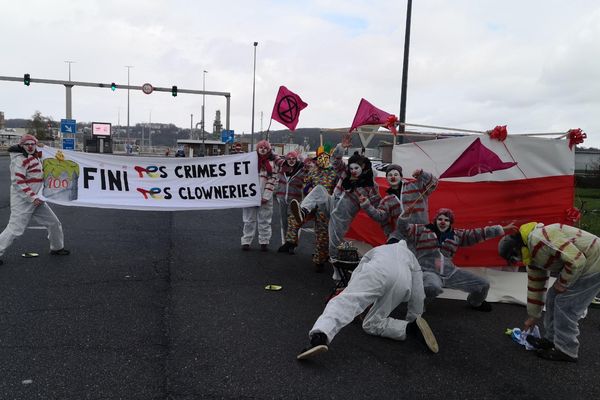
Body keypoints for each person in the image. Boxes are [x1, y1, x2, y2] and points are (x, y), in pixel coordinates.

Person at [297, 240, 439, 360]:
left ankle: (320, 336)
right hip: (402, 282)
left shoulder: (379, 249)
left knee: (345, 302)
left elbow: (360, 269)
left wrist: (352, 291)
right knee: (372, 324)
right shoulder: (411, 258)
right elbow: (418, 293)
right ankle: (411, 328)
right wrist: (415, 317)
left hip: (377, 271)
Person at [498, 222, 600, 362]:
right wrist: (533, 316)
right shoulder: (532, 255)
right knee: (552, 297)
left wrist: (562, 282)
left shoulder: (540, 238)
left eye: (516, 257)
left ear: (517, 248)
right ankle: (551, 340)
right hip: (585, 265)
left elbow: (577, 260)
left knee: (566, 305)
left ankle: (567, 350)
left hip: (595, 263)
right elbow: (536, 286)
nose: (519, 261)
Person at [391, 208, 515, 312]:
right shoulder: (421, 230)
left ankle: (475, 303)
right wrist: (404, 217)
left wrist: (502, 229)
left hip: (451, 273)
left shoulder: (457, 235)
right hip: (428, 272)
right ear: (435, 221)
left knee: (483, 285)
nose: (443, 222)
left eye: (446, 220)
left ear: (450, 223)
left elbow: (478, 233)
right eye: (440, 219)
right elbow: (404, 229)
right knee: (431, 287)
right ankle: (418, 307)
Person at [290, 151, 381, 264]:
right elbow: (336, 161)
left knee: (333, 246)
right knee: (319, 189)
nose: (353, 171)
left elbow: (378, 209)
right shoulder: (344, 174)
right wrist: (341, 147)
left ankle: (337, 275)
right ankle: (303, 211)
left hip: (342, 217)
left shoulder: (370, 187)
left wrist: (366, 205)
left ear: (364, 169)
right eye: (351, 168)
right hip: (331, 203)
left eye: (356, 168)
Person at [0, 134, 70, 265]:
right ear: (22, 146)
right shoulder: (19, 160)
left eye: (33, 144)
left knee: (54, 223)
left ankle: (57, 248)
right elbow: (18, 182)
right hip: (24, 200)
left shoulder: (35, 156)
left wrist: (45, 147)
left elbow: (48, 157)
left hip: (37, 199)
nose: (31, 146)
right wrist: (32, 197)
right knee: (15, 229)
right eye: (27, 144)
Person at [279, 144, 345, 271]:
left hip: (326, 204)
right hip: (312, 203)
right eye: (319, 157)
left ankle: (320, 260)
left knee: (322, 232)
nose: (322, 160)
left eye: (324, 157)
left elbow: (341, 186)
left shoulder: (334, 172)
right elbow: (304, 181)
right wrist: (306, 186)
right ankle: (291, 240)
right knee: (294, 216)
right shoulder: (313, 171)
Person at [360, 164, 438, 239]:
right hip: (402, 237)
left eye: (396, 174)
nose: (393, 177)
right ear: (387, 179)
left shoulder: (415, 186)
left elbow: (433, 183)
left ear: (401, 177)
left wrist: (422, 173)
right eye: (390, 175)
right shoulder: (387, 200)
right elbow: (380, 217)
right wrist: (366, 205)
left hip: (421, 232)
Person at [240, 140, 279, 252]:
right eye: (260, 147)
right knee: (248, 220)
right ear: (257, 149)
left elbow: (273, 180)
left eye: (265, 148)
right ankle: (246, 241)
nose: (263, 149)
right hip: (250, 196)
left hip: (265, 196)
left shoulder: (272, 164)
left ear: (268, 150)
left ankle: (264, 241)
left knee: (265, 220)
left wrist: (266, 196)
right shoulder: (250, 162)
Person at [274, 151, 306, 246]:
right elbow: (273, 156)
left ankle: (293, 243)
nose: (291, 161)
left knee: (295, 221)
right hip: (282, 198)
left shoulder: (302, 169)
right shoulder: (282, 168)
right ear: (286, 159)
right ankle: (285, 242)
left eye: (293, 159)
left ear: (296, 159)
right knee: (284, 222)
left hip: (295, 200)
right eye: (289, 159)